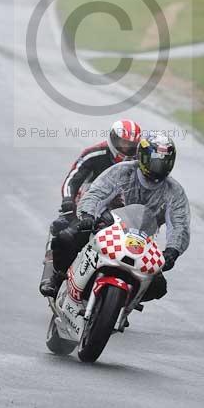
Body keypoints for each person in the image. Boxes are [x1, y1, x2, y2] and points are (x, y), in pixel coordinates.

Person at [50, 132, 190, 303]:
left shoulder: (174, 191)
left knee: (158, 287)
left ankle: (123, 304)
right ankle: (59, 278)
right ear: (142, 156)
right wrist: (87, 215)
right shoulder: (122, 171)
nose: (158, 167)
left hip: (141, 241)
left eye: (163, 162)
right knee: (65, 239)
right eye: (154, 160)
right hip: (104, 227)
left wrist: (172, 251)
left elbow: (179, 224)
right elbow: (96, 194)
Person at [39, 119, 142, 297]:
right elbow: (73, 179)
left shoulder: (139, 163)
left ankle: (128, 294)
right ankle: (55, 275)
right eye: (122, 143)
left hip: (118, 214)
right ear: (112, 139)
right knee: (64, 233)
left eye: (131, 145)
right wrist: (67, 201)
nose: (125, 148)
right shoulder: (94, 154)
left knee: (134, 251)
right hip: (85, 208)